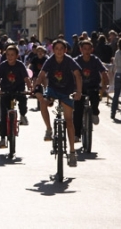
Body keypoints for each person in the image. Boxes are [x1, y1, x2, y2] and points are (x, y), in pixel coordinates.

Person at [34, 39, 82, 167]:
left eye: (62, 48)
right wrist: (37, 88)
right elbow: (42, 74)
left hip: (67, 92)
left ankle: (72, 152)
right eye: (57, 49)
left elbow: (77, 75)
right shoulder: (50, 60)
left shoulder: (69, 60)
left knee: (69, 121)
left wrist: (78, 92)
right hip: (53, 90)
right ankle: (49, 129)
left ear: (65, 50)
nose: (59, 51)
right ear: (53, 50)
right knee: (43, 102)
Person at [0, 45, 32, 148]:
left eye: (12, 55)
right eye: (8, 55)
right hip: (5, 91)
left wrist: (30, 88)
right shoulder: (3, 65)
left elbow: (26, 78)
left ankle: (23, 115)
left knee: (23, 100)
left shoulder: (20, 65)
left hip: (18, 89)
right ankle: (2, 139)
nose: (10, 57)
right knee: (3, 115)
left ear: (17, 56)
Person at [73, 40, 109, 142]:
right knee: (77, 111)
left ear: (92, 50)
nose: (87, 51)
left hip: (93, 86)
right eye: (85, 49)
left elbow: (104, 72)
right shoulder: (76, 61)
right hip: (80, 88)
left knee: (95, 98)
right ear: (81, 50)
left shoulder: (95, 60)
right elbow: (71, 73)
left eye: (89, 49)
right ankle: (77, 134)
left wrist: (105, 85)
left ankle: (95, 113)